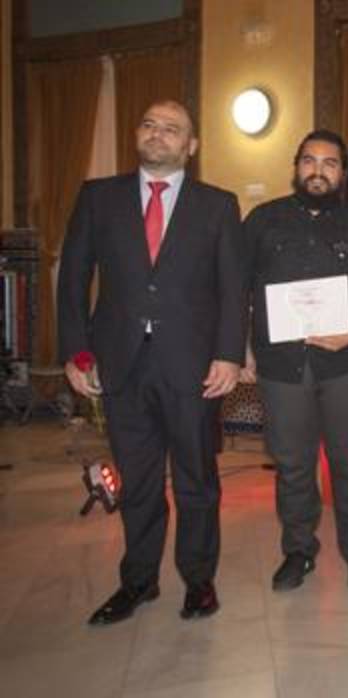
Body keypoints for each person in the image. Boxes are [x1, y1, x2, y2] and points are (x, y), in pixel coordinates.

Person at [59, 100, 245, 623]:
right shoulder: (98, 197)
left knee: (196, 480)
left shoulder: (218, 205)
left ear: (191, 145)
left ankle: (198, 580)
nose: (158, 134)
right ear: (136, 135)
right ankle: (138, 582)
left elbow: (233, 287)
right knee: (138, 482)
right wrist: (76, 351)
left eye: (172, 128)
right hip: (120, 363)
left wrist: (229, 354)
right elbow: (73, 278)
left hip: (193, 367)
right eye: (149, 125)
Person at [244, 129, 348, 592]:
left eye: (329, 163)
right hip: (280, 364)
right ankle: (298, 551)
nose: (318, 170)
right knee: (292, 464)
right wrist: (242, 350)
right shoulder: (262, 220)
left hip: (346, 364)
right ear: (296, 166)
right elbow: (239, 289)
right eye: (309, 160)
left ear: (342, 173)